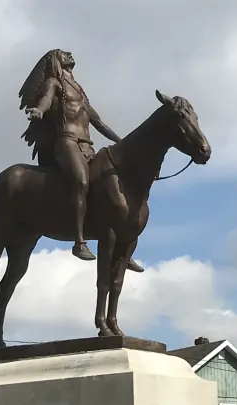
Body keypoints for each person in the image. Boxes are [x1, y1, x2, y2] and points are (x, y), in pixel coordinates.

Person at [19, 49, 144, 271]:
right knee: (82, 181)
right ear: (57, 62)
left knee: (109, 185)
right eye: (62, 54)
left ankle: (122, 249)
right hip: (67, 143)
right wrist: (39, 110)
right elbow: (46, 100)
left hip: (87, 146)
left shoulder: (81, 93)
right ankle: (79, 241)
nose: (68, 54)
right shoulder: (53, 83)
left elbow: (99, 123)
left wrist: (125, 143)